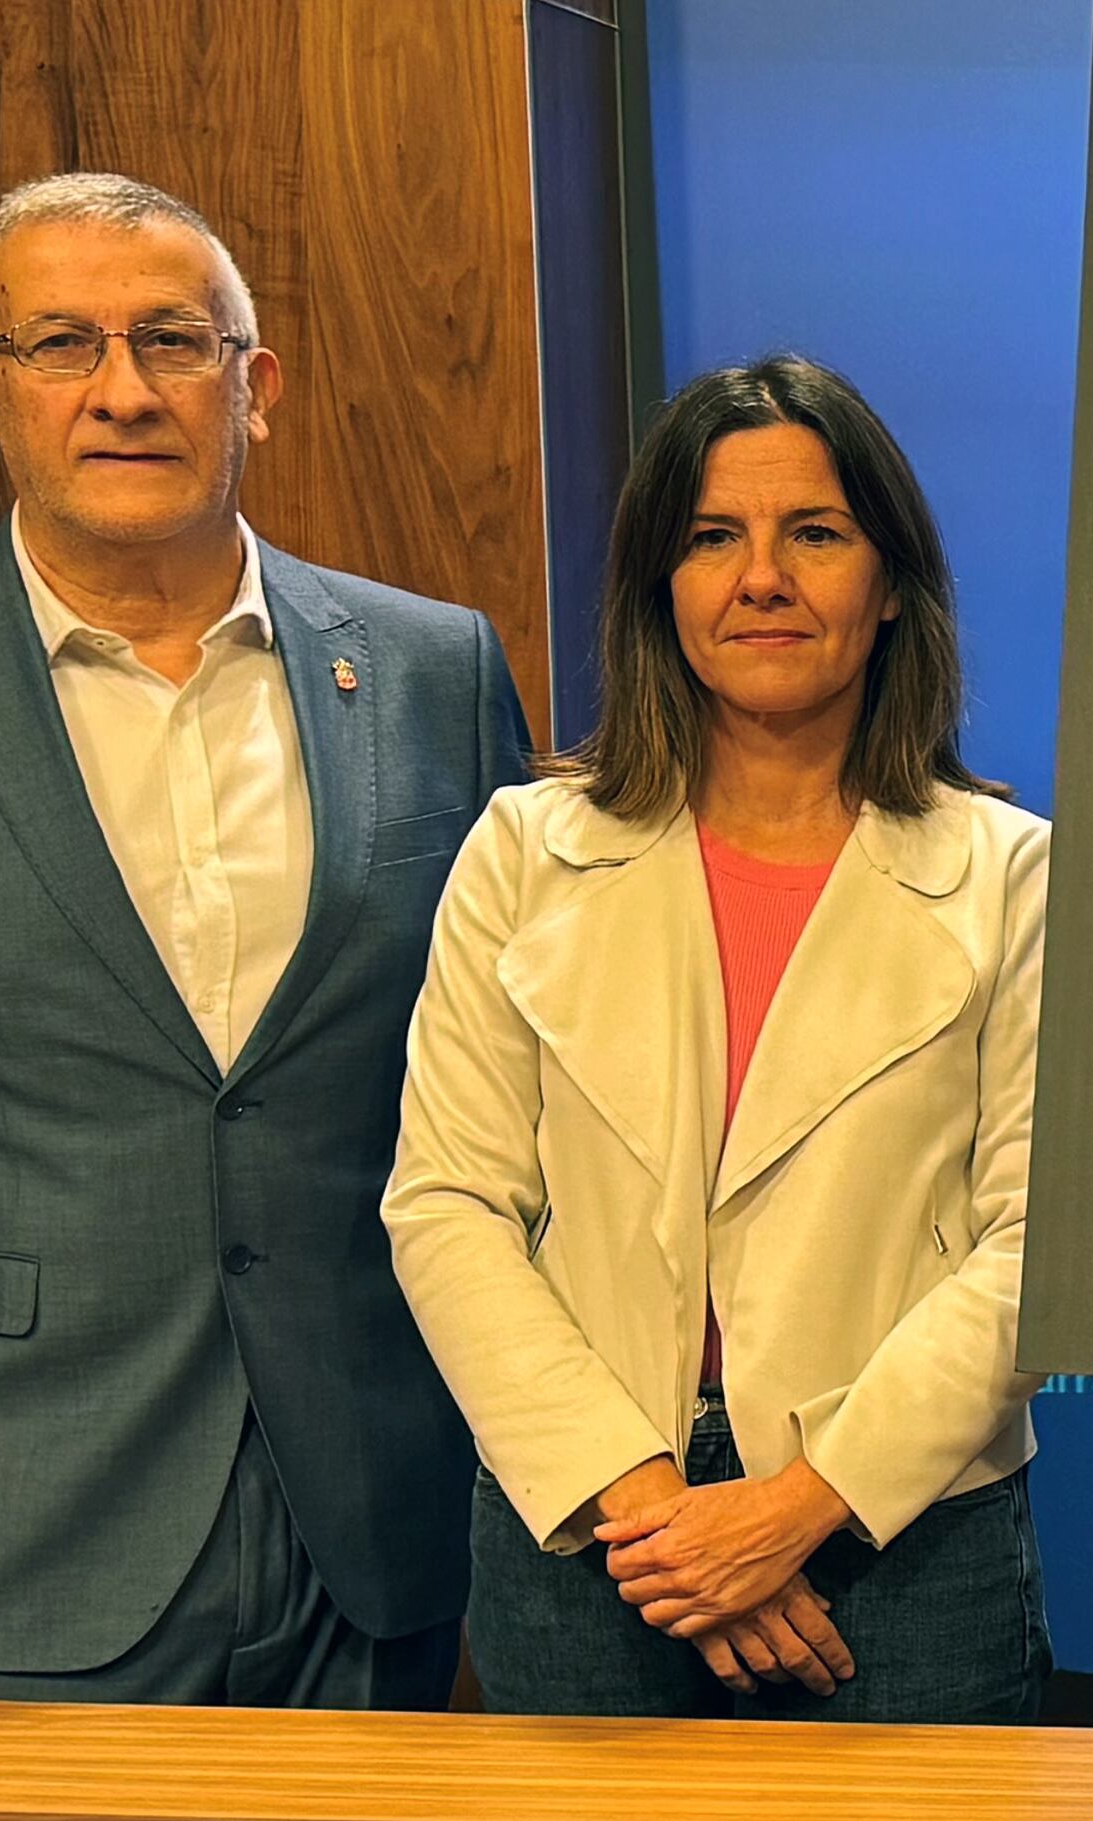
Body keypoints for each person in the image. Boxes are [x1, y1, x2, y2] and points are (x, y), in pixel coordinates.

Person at [0, 171, 538, 1704]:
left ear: (255, 388)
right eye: (61, 344)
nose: (124, 392)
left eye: (174, 343)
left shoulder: (431, 673)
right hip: (11, 1529)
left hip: (370, 1523)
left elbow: (517, 1083)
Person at [388, 356, 1053, 1721]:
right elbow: (447, 1204)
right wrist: (652, 1511)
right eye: (711, 539)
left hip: (907, 1543)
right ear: (658, 590)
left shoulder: (1013, 876)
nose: (762, 579)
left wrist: (792, 1513)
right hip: (587, 1531)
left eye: (814, 533)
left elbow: (1039, 1245)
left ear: (890, 582)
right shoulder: (525, 854)